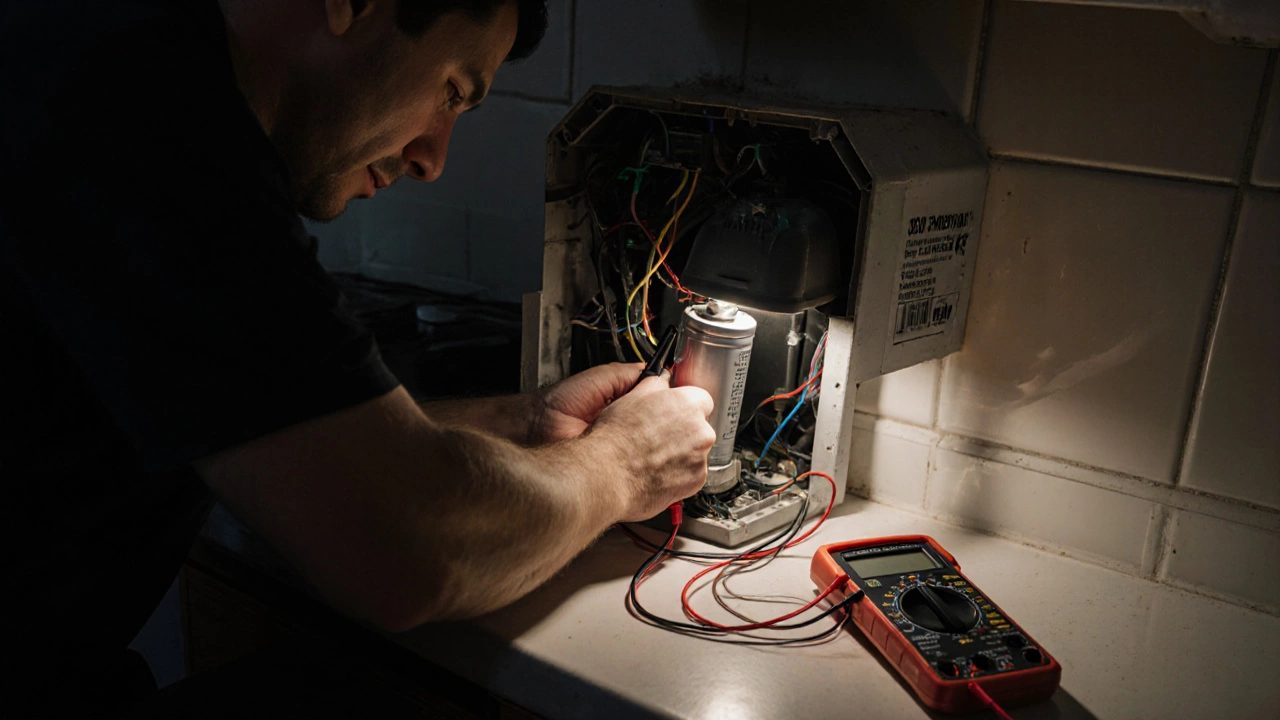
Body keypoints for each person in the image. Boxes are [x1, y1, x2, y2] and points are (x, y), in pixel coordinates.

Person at [0, 0, 716, 714]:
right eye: (452, 92)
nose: (433, 158)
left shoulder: (102, 52)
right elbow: (405, 557)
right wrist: (624, 465)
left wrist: (527, 420)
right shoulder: (150, 121)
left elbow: (293, 444)